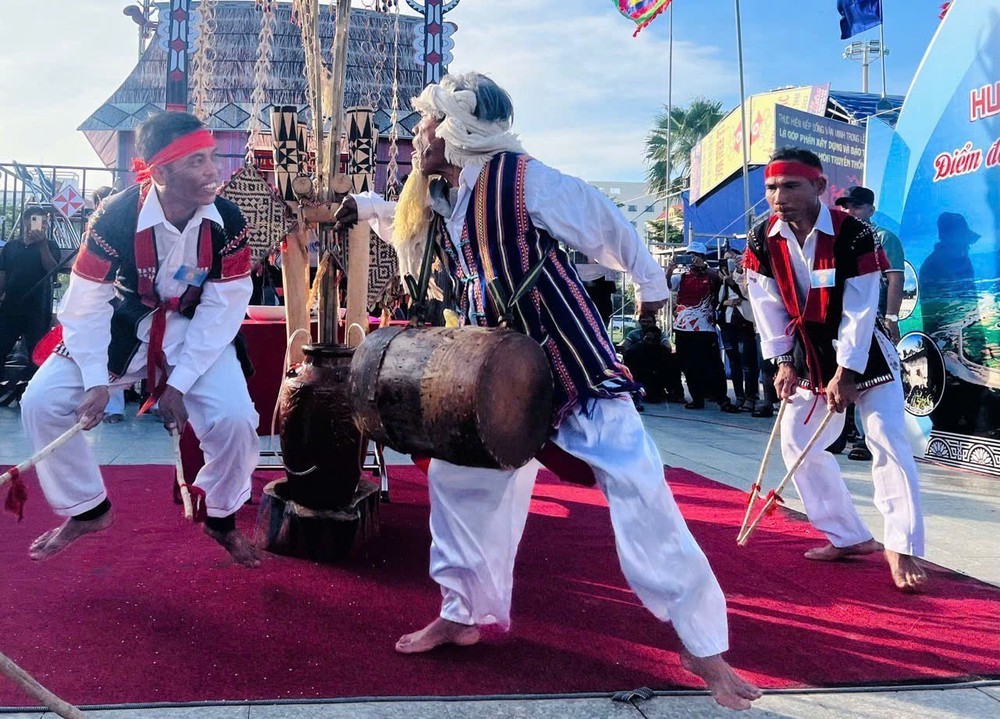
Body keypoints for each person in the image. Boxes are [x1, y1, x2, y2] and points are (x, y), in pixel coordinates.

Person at [333, 72, 760, 710]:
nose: (417, 134)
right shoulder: (443, 188)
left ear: (458, 132)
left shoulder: (530, 182)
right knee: (458, 483)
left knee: (637, 482)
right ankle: (462, 612)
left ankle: (703, 646)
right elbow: (403, 215)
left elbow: (610, 225)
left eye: (426, 124)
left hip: (568, 362)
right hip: (487, 377)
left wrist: (650, 291)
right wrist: (363, 207)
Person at [20, 111, 261, 567]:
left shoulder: (227, 220)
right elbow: (85, 302)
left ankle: (222, 516)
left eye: (212, 158)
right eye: (197, 162)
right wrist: (94, 379)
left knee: (235, 420)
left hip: (196, 332)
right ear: (161, 172)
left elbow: (223, 308)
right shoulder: (115, 217)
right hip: (122, 323)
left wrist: (179, 384)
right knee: (42, 401)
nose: (214, 171)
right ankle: (88, 509)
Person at [743, 147, 926, 591]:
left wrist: (846, 371)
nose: (778, 196)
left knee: (887, 440)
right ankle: (847, 536)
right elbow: (765, 305)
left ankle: (901, 546)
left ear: (819, 187)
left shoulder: (856, 234)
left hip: (866, 354)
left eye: (790, 186)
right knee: (796, 441)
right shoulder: (760, 238)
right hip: (807, 354)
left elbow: (861, 310)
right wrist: (782, 361)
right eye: (771, 187)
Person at [834, 186, 905, 460]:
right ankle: (838, 434)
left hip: (874, 321)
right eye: (845, 206)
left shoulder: (884, 238)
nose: (849, 211)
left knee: (871, 378)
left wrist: (891, 317)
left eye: (856, 206)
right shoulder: (837, 239)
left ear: (870, 210)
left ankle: (865, 439)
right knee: (841, 373)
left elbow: (895, 279)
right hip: (843, 320)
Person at [0, 207, 61, 406]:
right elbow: (3, 275)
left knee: (36, 351)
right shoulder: (11, 246)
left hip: (37, 307)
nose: (40, 225)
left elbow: (52, 270)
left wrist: (42, 245)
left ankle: (29, 391)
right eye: (35, 220)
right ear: (26, 221)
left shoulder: (50, 245)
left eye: (44, 222)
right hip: (11, 307)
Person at [666, 243, 732, 411]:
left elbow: (722, 292)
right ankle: (697, 398)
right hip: (683, 327)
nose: (692, 258)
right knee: (689, 365)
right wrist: (669, 270)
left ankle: (722, 399)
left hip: (706, 328)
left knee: (714, 365)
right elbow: (666, 286)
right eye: (689, 255)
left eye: (695, 255)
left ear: (703, 257)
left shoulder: (712, 275)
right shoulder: (681, 276)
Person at [718, 248, 760, 412]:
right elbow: (718, 300)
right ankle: (739, 395)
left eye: (733, 259)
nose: (730, 262)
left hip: (745, 321)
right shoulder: (723, 279)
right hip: (729, 322)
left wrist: (738, 275)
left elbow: (749, 294)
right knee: (734, 361)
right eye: (727, 259)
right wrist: (726, 302)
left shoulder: (748, 275)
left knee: (748, 361)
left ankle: (751, 396)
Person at [622, 316, 684, 403]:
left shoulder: (661, 340)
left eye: (649, 322)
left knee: (673, 365)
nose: (646, 324)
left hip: (657, 368)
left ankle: (674, 393)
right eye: (643, 321)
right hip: (640, 369)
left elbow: (668, 348)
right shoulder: (634, 337)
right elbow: (626, 350)